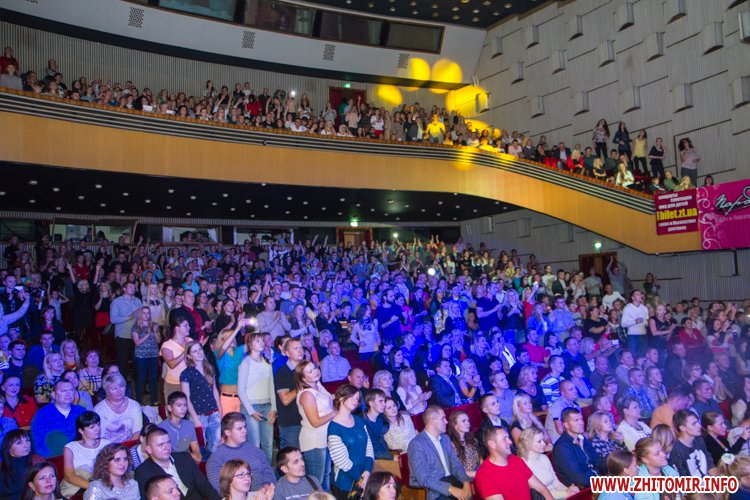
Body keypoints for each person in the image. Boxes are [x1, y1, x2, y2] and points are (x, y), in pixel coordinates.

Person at [134, 427, 221, 500]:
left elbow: (204, 485)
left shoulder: (184, 458)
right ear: (149, 449)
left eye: (168, 442)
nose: (167, 447)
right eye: (161, 445)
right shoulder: (142, 472)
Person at [407, 406, 472, 500]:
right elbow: (423, 478)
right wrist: (450, 489)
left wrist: (466, 482)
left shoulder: (445, 438)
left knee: (470, 495)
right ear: (432, 421)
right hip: (432, 489)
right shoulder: (417, 444)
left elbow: (456, 465)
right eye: (443, 418)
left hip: (451, 479)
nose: (446, 421)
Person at [475, 426, 553, 500]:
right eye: (504, 439)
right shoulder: (484, 475)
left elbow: (540, 488)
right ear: (492, 444)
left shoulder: (515, 460)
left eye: (508, 438)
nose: (510, 442)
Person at [206, 413, 276, 495]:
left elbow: (267, 469)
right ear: (228, 432)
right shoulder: (216, 458)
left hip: (265, 494)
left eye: (245, 427)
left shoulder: (253, 449)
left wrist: (267, 484)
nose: (245, 431)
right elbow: (219, 488)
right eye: (239, 428)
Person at [327, 384, 374, 497]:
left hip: (364, 476)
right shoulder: (334, 427)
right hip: (345, 481)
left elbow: (369, 447)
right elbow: (341, 460)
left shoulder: (359, 420)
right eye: (352, 396)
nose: (355, 400)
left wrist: (367, 472)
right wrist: (361, 479)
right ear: (340, 398)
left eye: (357, 398)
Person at [295, 359, 335, 491]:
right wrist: (334, 413)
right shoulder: (306, 394)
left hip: (325, 438)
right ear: (303, 378)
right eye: (310, 371)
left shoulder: (318, 385)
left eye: (315, 368)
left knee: (325, 476)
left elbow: (327, 402)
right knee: (316, 482)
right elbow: (315, 422)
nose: (315, 372)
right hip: (314, 441)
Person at [238, 333, 277, 465]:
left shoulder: (267, 363)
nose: (261, 343)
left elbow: (271, 387)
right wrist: (251, 411)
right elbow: (240, 390)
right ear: (250, 345)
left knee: (268, 444)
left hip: (267, 406)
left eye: (262, 341)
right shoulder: (246, 363)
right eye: (257, 341)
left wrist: (274, 409)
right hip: (251, 406)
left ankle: (267, 473)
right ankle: (255, 474)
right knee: (254, 444)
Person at [181, 339, 222, 454]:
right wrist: (195, 419)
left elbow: (215, 390)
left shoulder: (210, 368)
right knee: (200, 449)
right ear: (189, 356)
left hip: (213, 413)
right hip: (199, 415)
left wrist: (220, 410)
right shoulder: (186, 373)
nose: (199, 353)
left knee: (216, 447)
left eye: (200, 349)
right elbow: (186, 398)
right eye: (195, 351)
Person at [30, 378, 86, 457]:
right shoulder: (42, 414)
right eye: (63, 391)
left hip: (80, 454)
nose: (68, 394)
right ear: (53, 395)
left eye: (71, 390)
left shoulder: (81, 411)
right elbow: (39, 443)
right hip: (54, 457)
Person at [518, 427, 579, 500]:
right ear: (528, 443)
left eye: (543, 440)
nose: (544, 444)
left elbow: (556, 483)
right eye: (539, 441)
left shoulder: (544, 458)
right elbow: (539, 494)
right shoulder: (522, 464)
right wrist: (566, 493)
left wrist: (569, 490)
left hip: (559, 495)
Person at [61, 411, 111, 498]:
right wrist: (95, 488)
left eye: (98, 425)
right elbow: (69, 475)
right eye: (92, 427)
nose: (97, 429)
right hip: (78, 489)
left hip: (104, 485)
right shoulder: (70, 448)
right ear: (81, 431)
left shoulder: (107, 444)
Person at [551, 407, 606, 487]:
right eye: (576, 420)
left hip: (597, 481)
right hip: (584, 488)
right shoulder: (562, 447)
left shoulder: (582, 438)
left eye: (581, 419)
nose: (581, 423)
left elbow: (598, 462)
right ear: (566, 425)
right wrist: (603, 480)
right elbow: (579, 479)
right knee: (623, 485)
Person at [94, 372, 143, 443]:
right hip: (107, 447)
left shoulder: (134, 405)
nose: (119, 391)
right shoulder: (99, 410)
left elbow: (137, 432)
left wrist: (126, 447)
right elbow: (100, 437)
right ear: (107, 391)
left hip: (130, 445)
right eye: (114, 389)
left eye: (121, 386)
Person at [275, 338, 304, 449]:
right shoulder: (283, 372)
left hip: (307, 420)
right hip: (291, 423)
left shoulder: (307, 369)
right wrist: (302, 385)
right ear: (287, 353)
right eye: (295, 348)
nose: (300, 350)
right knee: (292, 455)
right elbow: (285, 400)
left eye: (301, 347)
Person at [109, 281, 142, 379]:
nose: (133, 289)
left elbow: (141, 315)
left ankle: (138, 383)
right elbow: (113, 319)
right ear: (124, 289)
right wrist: (130, 317)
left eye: (134, 287)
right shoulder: (117, 302)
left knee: (138, 361)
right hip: (123, 336)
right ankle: (122, 383)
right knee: (122, 362)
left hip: (136, 336)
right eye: (130, 287)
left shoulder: (137, 300)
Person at [157, 391, 201, 462]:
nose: (183, 409)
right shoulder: (160, 428)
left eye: (185, 405)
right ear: (170, 408)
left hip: (187, 462)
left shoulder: (189, 425)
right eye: (179, 405)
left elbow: (197, 453)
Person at [670, 409, 715, 477]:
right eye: (694, 424)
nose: (699, 426)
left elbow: (710, 464)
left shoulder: (699, 440)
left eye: (698, 422)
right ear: (682, 428)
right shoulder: (676, 451)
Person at [0, 429, 43, 500]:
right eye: (19, 443)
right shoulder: (2, 468)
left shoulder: (37, 462)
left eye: (27, 440)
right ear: (9, 448)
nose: (26, 445)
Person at [132, 305, 161, 406]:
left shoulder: (154, 325)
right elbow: (137, 343)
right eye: (144, 313)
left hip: (153, 355)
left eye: (148, 313)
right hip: (141, 356)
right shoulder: (136, 327)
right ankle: (139, 401)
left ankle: (154, 400)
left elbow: (158, 341)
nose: (146, 315)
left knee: (153, 378)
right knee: (141, 378)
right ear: (140, 314)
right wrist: (148, 334)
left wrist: (155, 332)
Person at [447, 411, 481, 478]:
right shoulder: (451, 445)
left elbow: (480, 459)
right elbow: (456, 471)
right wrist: (479, 474)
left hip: (478, 472)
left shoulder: (473, 440)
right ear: (455, 425)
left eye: (468, 421)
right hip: (464, 478)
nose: (467, 423)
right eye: (463, 421)